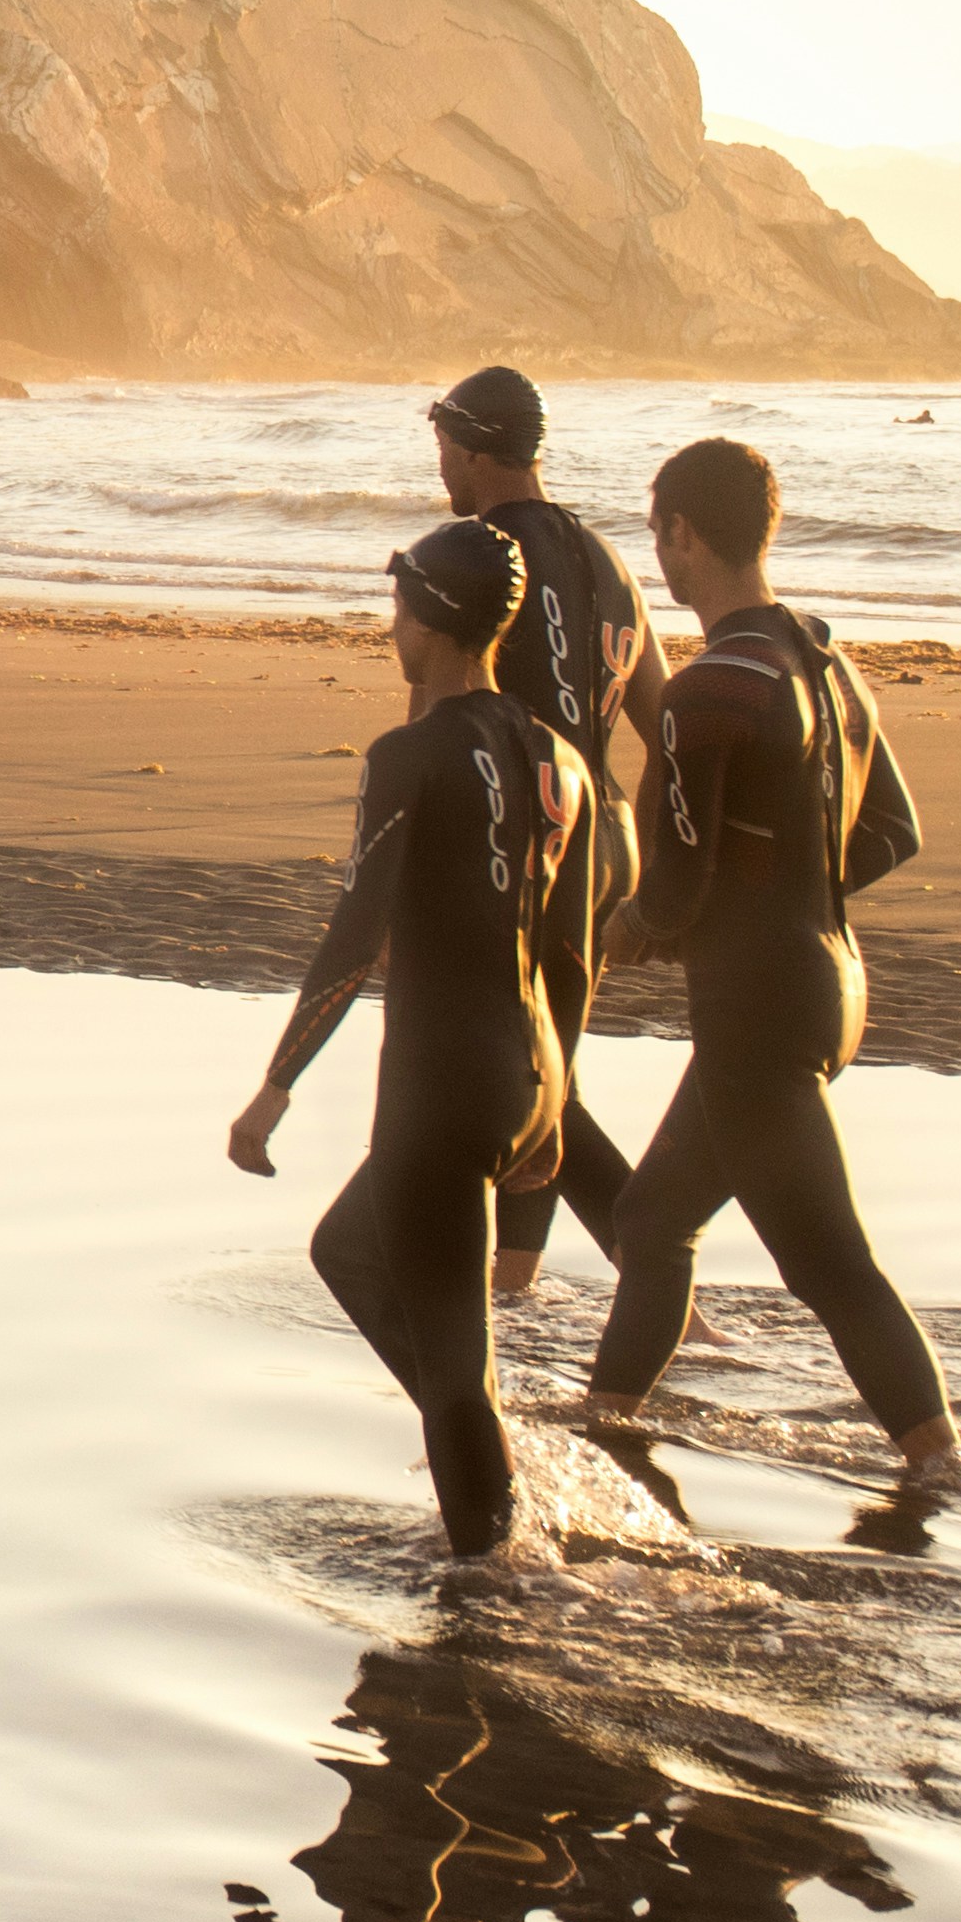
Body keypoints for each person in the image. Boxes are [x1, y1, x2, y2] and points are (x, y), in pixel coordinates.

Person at [584, 436, 960, 1482]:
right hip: (828, 985)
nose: (657, 555)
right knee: (652, 1217)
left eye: (657, 534)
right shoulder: (826, 663)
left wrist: (617, 937)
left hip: (755, 1009)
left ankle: (943, 1466)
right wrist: (784, 895)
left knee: (829, 1265)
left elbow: (673, 889)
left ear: (682, 533)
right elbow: (892, 832)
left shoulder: (710, 691)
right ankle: (605, 1422)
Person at [229, 520, 587, 1553]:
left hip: (441, 1087)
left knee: (459, 1366)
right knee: (347, 1249)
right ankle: (495, 1465)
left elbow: (356, 934)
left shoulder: (409, 756)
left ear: (428, 618)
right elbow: (571, 952)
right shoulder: (559, 759)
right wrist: (552, 1102)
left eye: (398, 609)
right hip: (527, 1072)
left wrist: (276, 1086)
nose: (391, 628)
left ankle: (497, 1577)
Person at [424, 368, 649, 1291]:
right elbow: (663, 721)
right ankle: (515, 1277)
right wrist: (655, 863)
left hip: (527, 842)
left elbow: (436, 723)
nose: (439, 465)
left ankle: (659, 1278)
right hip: (607, 837)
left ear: (476, 450)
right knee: (548, 1068)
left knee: (525, 1079)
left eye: (442, 446)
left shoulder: (474, 558)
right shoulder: (607, 560)